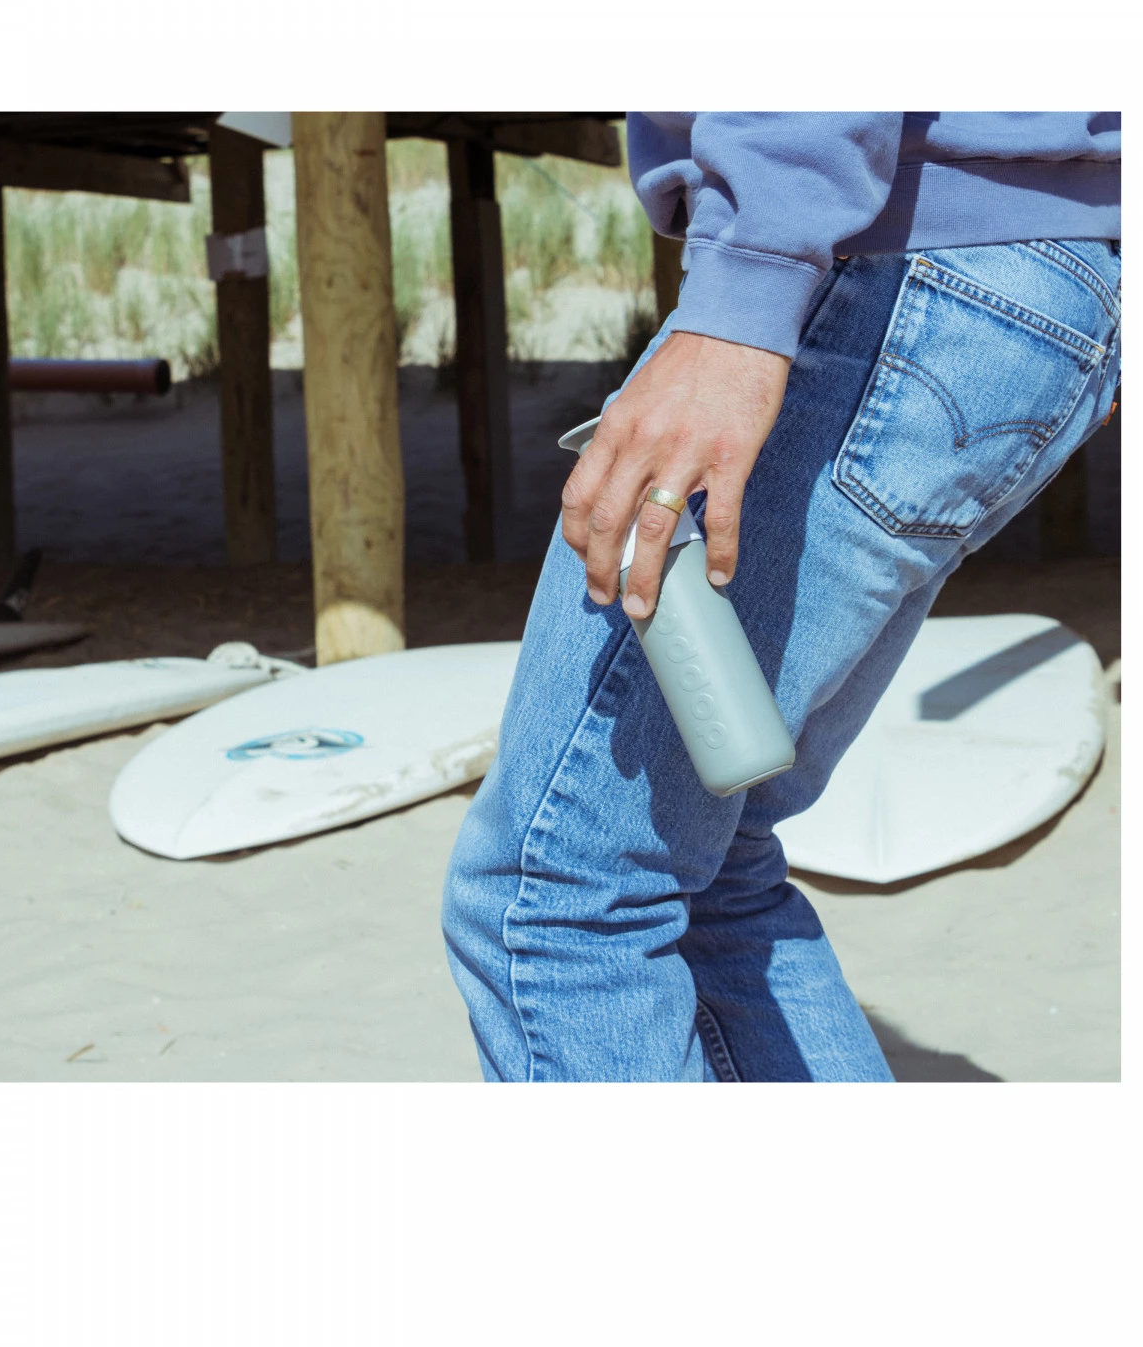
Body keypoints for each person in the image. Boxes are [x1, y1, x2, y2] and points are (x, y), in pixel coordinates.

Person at [442, 112, 1121, 1081]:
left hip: (885, 268)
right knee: (713, 872)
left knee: (557, 897)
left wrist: (745, 289)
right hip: (1030, 277)